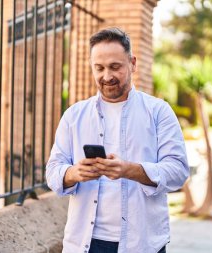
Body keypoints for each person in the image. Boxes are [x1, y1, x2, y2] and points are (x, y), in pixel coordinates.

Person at [46, 27, 189, 253]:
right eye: (99, 68)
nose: (107, 76)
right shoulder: (74, 116)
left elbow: (178, 171)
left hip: (142, 244)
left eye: (115, 67)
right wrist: (74, 173)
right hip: (84, 244)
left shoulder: (159, 111)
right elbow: (53, 171)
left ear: (132, 63)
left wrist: (129, 170)